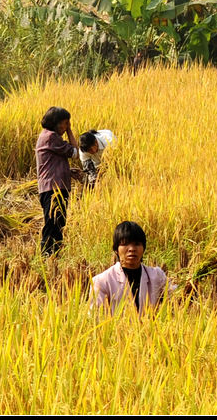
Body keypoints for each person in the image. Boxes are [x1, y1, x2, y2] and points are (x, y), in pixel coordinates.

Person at [90, 221, 175, 315]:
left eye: (137, 244)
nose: (132, 249)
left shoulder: (157, 276)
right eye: (125, 244)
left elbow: (176, 299)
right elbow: (96, 318)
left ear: (144, 248)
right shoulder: (102, 281)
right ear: (116, 249)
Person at [35, 106, 83, 255]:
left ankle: (53, 257)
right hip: (53, 188)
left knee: (57, 223)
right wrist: (70, 131)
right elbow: (76, 153)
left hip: (52, 187)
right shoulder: (51, 137)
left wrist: (67, 171)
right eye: (64, 122)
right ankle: (47, 257)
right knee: (53, 224)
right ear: (55, 122)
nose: (66, 125)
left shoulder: (47, 136)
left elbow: (50, 163)